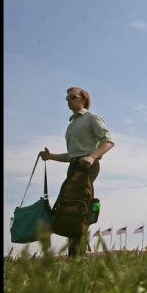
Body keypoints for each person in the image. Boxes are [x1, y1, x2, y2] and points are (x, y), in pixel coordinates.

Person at [40, 87, 115, 257]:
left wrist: (92, 156)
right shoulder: (72, 124)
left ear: (83, 99)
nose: (69, 100)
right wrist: (50, 156)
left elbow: (108, 141)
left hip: (87, 166)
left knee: (79, 209)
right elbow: (72, 155)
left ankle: (79, 257)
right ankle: (74, 256)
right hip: (74, 166)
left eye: (73, 97)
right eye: (67, 98)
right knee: (69, 209)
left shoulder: (91, 118)